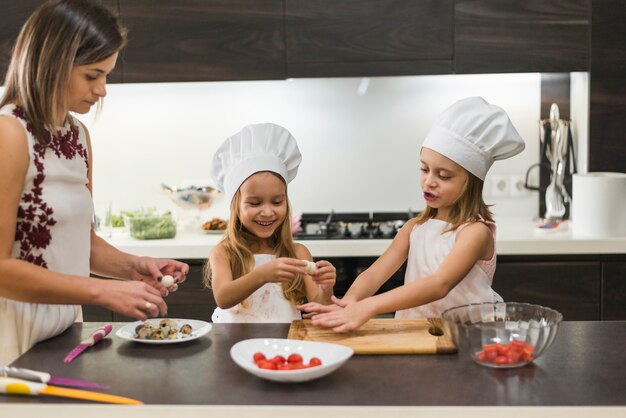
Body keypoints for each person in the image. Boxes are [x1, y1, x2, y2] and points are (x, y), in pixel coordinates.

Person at [0, 0, 189, 365]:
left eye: (106, 75)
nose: (102, 89)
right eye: (93, 75)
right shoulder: (8, 133)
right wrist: (103, 291)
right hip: (12, 336)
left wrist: (135, 267)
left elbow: (80, 244)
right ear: (53, 63)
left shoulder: (78, 136)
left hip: (63, 331)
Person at [298, 97, 526, 332]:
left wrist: (370, 306)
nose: (429, 181)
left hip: (468, 335)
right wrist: (349, 302)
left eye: (444, 175)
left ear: (472, 181)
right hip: (418, 332)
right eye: (424, 169)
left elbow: (440, 284)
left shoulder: (475, 232)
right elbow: (375, 273)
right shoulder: (415, 227)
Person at [205, 123, 335, 322]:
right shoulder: (224, 252)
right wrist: (262, 275)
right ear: (236, 206)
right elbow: (223, 298)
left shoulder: (298, 253)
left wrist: (325, 290)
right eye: (255, 203)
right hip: (232, 347)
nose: (267, 212)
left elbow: (320, 308)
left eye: (277, 201)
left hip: (284, 348)